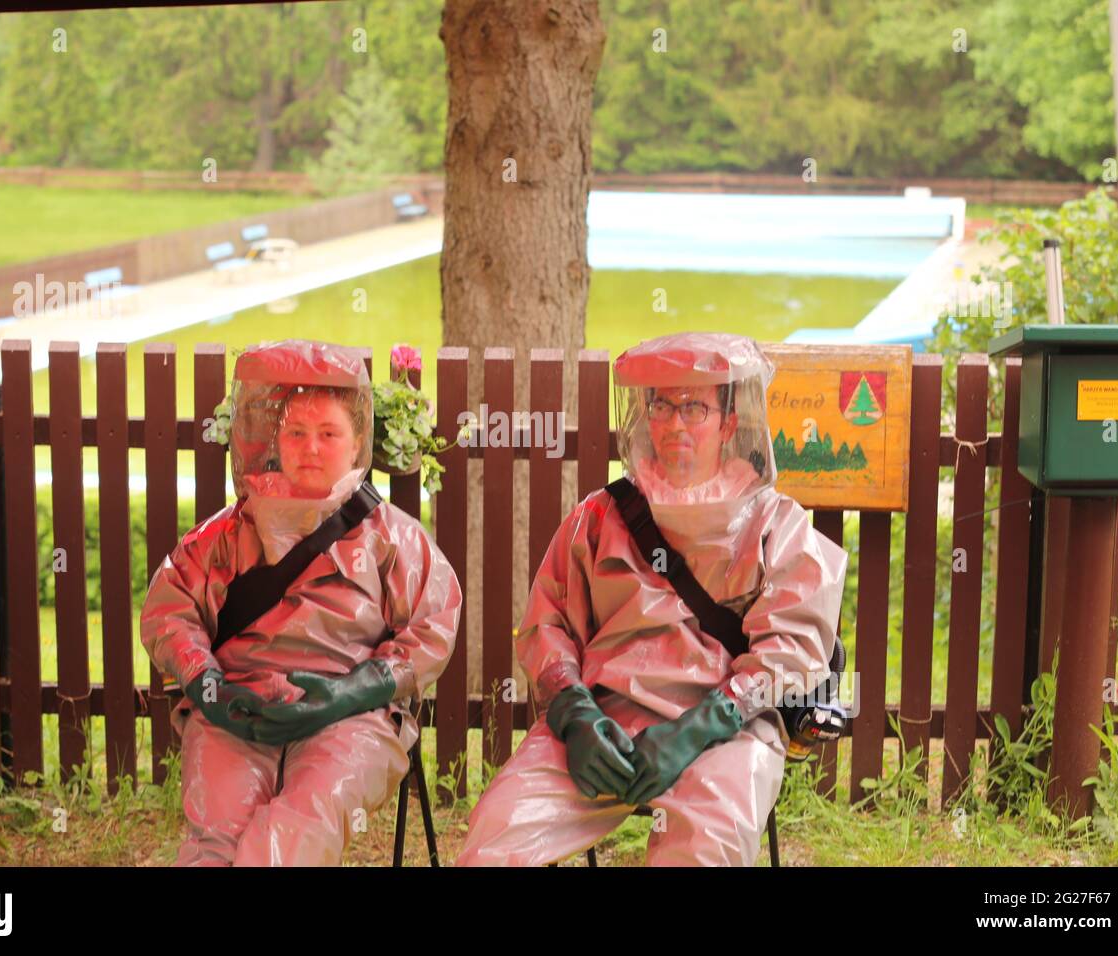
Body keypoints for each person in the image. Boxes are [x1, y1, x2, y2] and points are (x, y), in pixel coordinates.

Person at [457, 331, 847, 866]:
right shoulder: (600, 516)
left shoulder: (775, 525)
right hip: (603, 723)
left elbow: (794, 651)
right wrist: (573, 713)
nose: (675, 423)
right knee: (495, 838)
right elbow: (547, 624)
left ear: (729, 421)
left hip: (724, 732)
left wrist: (701, 727)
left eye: (695, 407)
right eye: (662, 404)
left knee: (705, 852)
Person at [140, 339, 462, 866]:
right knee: (215, 837)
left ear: (357, 439)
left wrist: (354, 690)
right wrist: (209, 684)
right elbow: (170, 609)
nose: (311, 447)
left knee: (293, 833)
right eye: (296, 432)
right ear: (274, 439)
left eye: (329, 433)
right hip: (238, 711)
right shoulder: (224, 534)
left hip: (351, 718)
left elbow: (433, 625)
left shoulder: (389, 538)